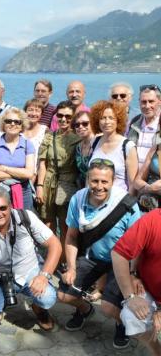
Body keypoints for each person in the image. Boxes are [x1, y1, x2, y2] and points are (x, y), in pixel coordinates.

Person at [57, 159, 141, 350]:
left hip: (121, 262)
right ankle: (85, 310)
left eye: (104, 182)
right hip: (92, 257)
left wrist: (135, 274)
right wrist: (70, 268)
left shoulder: (127, 204)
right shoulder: (78, 199)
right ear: (87, 179)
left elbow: (138, 244)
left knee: (109, 307)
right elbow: (70, 236)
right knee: (63, 295)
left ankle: (122, 323)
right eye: (94, 181)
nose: (99, 186)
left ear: (113, 182)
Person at [0, 186, 62, 344]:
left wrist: (44, 276)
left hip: (29, 272)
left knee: (48, 298)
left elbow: (55, 245)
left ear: (10, 206)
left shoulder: (26, 218)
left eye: (3, 208)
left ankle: (38, 308)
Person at [112, 209, 161, 356]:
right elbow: (119, 253)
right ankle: (156, 350)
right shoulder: (153, 218)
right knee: (131, 316)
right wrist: (130, 296)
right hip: (148, 288)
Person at [36, 101, 79, 257]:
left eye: (68, 116)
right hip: (49, 181)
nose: (63, 119)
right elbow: (43, 164)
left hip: (67, 184)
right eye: (60, 115)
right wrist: (39, 186)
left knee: (65, 223)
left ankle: (64, 257)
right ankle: (52, 255)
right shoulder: (50, 136)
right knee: (48, 222)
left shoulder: (78, 138)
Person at [0, 107, 35, 209]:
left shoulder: (28, 145)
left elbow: (29, 174)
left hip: (24, 191)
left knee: (24, 220)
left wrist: (4, 168)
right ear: (3, 125)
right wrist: (20, 173)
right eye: (8, 121)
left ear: (22, 125)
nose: (13, 124)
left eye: (17, 122)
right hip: (0, 191)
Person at [90, 100, 138, 193]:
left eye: (111, 118)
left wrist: (125, 205)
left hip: (118, 201)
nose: (107, 122)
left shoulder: (128, 146)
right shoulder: (95, 142)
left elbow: (132, 185)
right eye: (103, 118)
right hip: (94, 199)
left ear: (118, 120)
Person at [127, 84, 161, 170]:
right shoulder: (134, 123)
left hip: (155, 179)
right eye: (143, 102)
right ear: (139, 102)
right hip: (133, 178)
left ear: (159, 101)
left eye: (151, 101)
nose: (147, 106)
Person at [23, 99, 48, 177]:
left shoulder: (44, 130)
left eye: (37, 111)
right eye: (30, 110)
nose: (33, 114)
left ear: (41, 114)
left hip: (36, 174)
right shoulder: (18, 129)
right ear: (25, 112)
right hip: (18, 172)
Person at [72, 111, 95, 188]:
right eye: (77, 125)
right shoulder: (78, 146)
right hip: (81, 188)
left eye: (85, 123)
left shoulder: (98, 144)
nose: (80, 127)